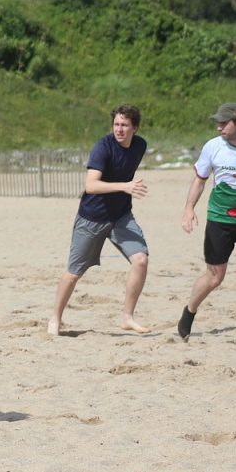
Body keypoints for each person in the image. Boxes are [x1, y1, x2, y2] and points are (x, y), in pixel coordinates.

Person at [48, 105, 151, 336]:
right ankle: (55, 318)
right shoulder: (102, 149)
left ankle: (127, 317)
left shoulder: (140, 145)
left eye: (124, 125)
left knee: (141, 260)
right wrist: (125, 186)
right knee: (74, 272)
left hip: (121, 217)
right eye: (116, 124)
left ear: (135, 127)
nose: (119, 129)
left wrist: (125, 190)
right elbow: (91, 185)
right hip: (91, 218)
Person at [180, 102, 236, 348]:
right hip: (220, 220)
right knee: (215, 277)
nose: (219, 127)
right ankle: (189, 310)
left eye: (223, 122)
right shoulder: (213, 147)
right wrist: (189, 209)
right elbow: (199, 181)